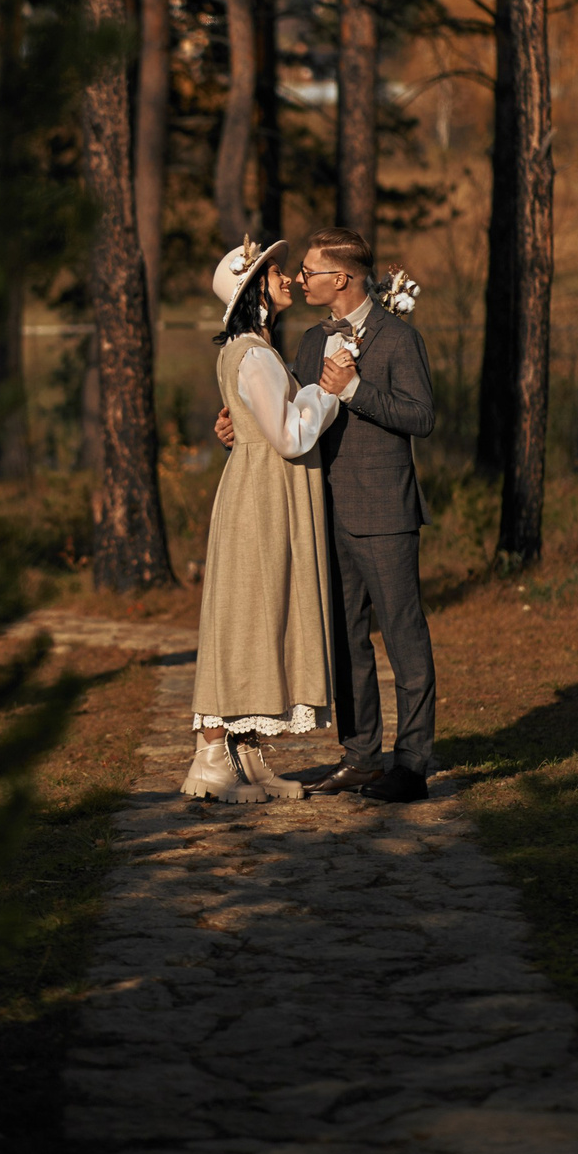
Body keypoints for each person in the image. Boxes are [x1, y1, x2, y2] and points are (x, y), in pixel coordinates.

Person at [220, 227, 440, 803]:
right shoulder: (313, 342)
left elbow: (422, 418)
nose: (300, 279)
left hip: (385, 512)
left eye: (311, 272)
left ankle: (412, 764)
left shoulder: (398, 339)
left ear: (340, 279)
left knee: (403, 638)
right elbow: (290, 413)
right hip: (322, 514)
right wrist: (237, 426)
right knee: (344, 642)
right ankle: (361, 755)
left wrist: (358, 388)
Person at [182, 237, 341, 804]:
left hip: (261, 488)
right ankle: (212, 754)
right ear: (253, 291)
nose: (285, 278)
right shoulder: (251, 352)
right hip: (262, 496)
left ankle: (245, 754)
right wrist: (329, 393)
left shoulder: (254, 350)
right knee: (247, 612)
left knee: (258, 610)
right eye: (273, 272)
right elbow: (290, 434)